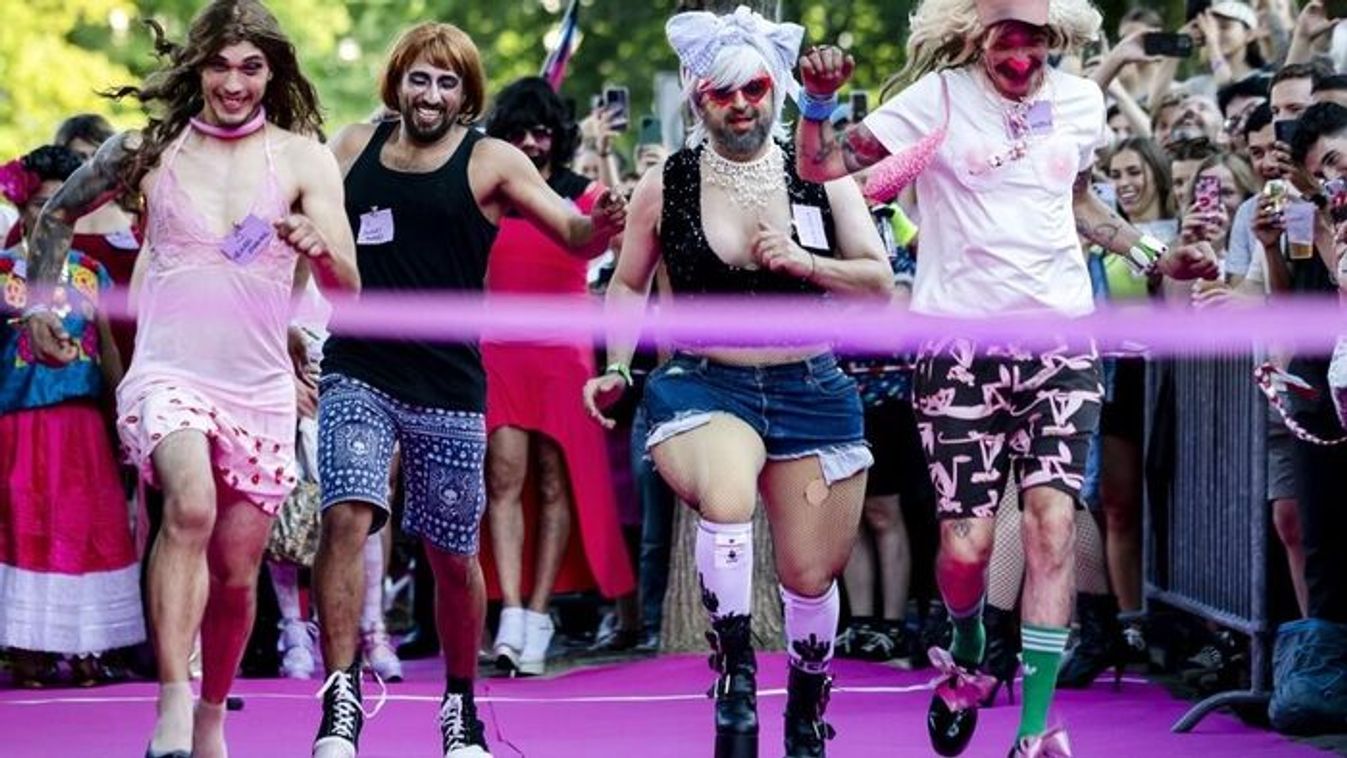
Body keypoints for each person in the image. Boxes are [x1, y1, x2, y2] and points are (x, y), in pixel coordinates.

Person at [794, 0, 1218, 753]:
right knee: (966, 547)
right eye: (1002, 48)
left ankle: (1035, 729)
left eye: (1033, 47)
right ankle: (964, 646)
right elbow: (822, 168)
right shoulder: (938, 99)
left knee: (1052, 526)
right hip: (957, 346)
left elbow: (1078, 200)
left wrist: (1150, 256)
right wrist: (819, 99)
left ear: (1055, 38)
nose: (1019, 65)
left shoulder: (1081, 99)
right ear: (971, 39)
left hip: (1060, 341)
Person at [22, 2, 360, 755]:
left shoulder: (304, 159)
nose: (233, 83)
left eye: (250, 66)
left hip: (261, 385)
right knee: (191, 506)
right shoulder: (149, 149)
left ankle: (210, 715)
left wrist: (321, 247)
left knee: (237, 575)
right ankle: (172, 701)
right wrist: (45, 308)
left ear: (273, 73)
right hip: (169, 370)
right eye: (219, 64)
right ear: (195, 66)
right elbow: (55, 215)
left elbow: (351, 287)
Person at [584, 7, 893, 757]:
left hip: (810, 388)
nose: (740, 105)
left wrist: (804, 262)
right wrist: (618, 365)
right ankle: (732, 675)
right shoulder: (670, 180)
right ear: (698, 98)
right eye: (721, 93)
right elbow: (627, 285)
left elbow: (878, 283)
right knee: (725, 496)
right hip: (703, 383)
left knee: (810, 577)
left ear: (775, 88)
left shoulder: (820, 176)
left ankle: (807, 700)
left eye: (753, 87)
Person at [311, 22, 625, 758]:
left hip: (449, 383)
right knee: (347, 516)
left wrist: (602, 226)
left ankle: (459, 705)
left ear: (466, 93)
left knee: (453, 556)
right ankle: (341, 698)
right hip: (358, 364)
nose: (431, 93)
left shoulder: (492, 159)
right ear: (397, 81)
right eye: (419, 77)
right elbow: (300, 215)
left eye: (447, 81)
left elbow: (575, 240)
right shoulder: (351, 147)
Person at [479, 76, 635, 677]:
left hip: (564, 352)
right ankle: (511, 612)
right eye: (517, 132)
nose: (530, 142)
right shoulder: (491, 195)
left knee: (553, 481)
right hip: (498, 349)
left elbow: (629, 251)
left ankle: (539, 616)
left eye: (541, 131)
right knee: (503, 477)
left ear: (558, 135)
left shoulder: (588, 194)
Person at [0, 145, 144, 688]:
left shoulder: (90, 273)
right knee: (22, 529)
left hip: (82, 426)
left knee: (86, 530)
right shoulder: (1, 272)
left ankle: (87, 645)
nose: (46, 213)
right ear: (21, 208)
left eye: (58, 203)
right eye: (38, 203)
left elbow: (107, 350)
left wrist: (123, 413)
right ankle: (25, 649)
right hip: (16, 424)